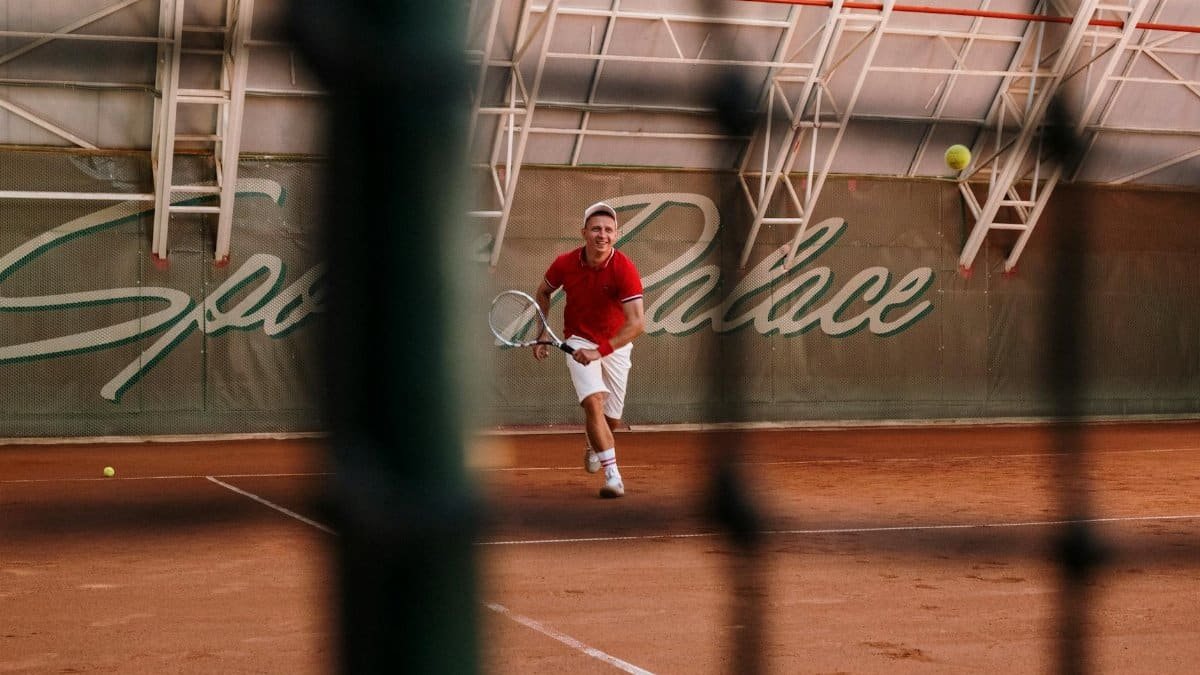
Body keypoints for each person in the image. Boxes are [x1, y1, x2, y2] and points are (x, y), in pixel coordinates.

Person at [533, 202, 645, 498]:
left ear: (616, 235)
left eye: (608, 230)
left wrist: (603, 350)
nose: (602, 234)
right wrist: (541, 330)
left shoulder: (624, 269)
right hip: (578, 339)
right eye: (596, 228)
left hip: (616, 343)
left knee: (613, 419)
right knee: (593, 401)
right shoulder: (564, 263)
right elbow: (542, 292)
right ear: (584, 232)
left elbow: (636, 323)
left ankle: (593, 443)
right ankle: (613, 477)